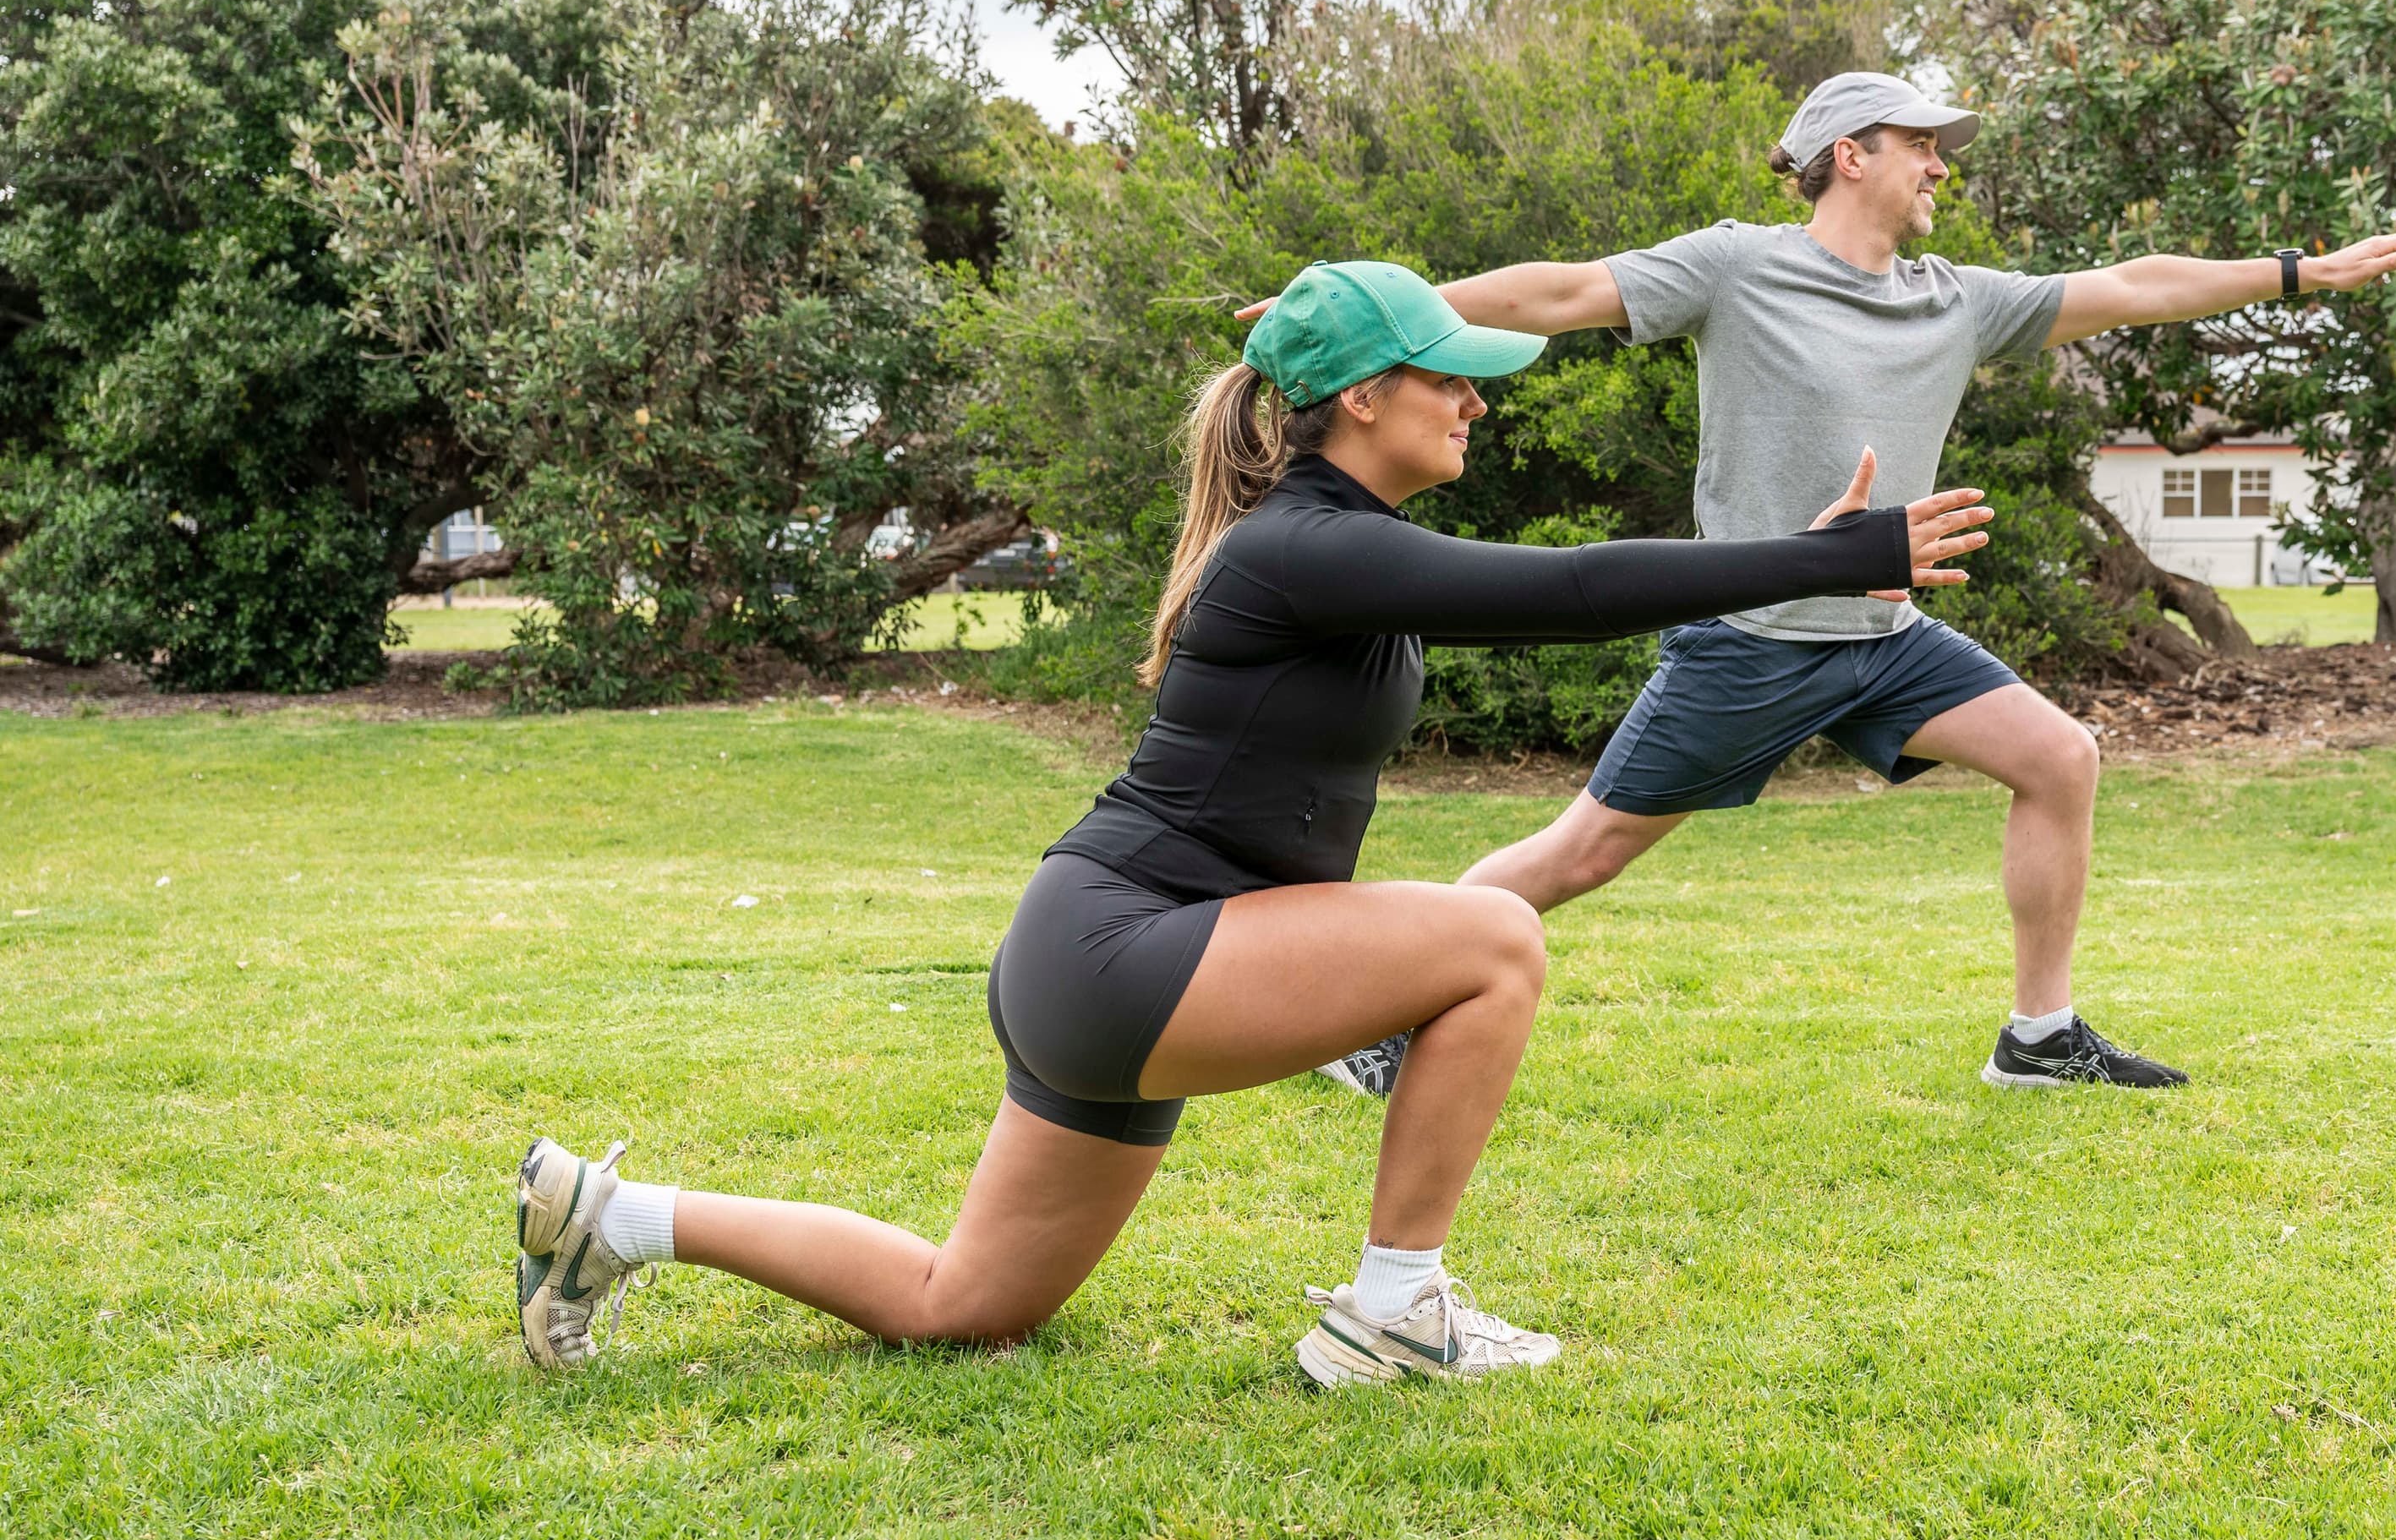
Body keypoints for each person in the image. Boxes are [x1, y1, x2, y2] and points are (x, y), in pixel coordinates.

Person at [512, 260, 1991, 1385]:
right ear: (1364, 400)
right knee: (1493, 937)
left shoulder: (1339, 547)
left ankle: (615, 1219)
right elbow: (1576, 590)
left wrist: (1796, 561)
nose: (1476, 404)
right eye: (1451, 379)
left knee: (966, 1307)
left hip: (1097, 958)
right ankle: (1397, 1312)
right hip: (1126, 950)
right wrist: (1830, 556)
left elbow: (1563, 590)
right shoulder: (1306, 548)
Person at [1291, 73, 2396, 1099]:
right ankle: (1373, 1012)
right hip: (1750, 639)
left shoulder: (1956, 299)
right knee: (1579, 854)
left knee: (2060, 758)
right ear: (1851, 155)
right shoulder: (1738, 268)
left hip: (1884, 637)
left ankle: (2039, 1038)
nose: (1941, 167)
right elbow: (1556, 296)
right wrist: (1370, 316)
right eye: (1921, 145)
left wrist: (2300, 272)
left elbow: (2136, 286)